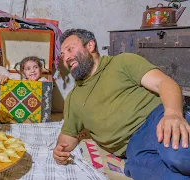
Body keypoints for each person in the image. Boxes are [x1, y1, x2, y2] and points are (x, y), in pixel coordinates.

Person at [53, 29, 190, 179]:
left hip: (157, 120)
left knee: (178, 155)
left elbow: (165, 83)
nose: (66, 57)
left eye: (70, 49)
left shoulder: (122, 62)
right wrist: (59, 150)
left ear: (90, 46)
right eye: (63, 55)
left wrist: (173, 114)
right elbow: (68, 136)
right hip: (133, 149)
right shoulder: (73, 98)